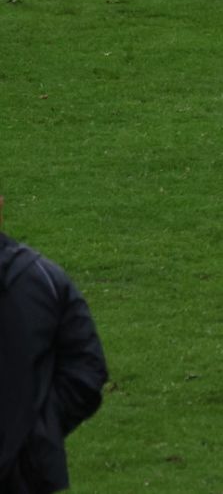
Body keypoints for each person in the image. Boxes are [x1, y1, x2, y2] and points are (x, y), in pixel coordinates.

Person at [0, 196, 108, 494]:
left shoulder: (41, 279)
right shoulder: (43, 278)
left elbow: (87, 368)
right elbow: (87, 368)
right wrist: (39, 428)